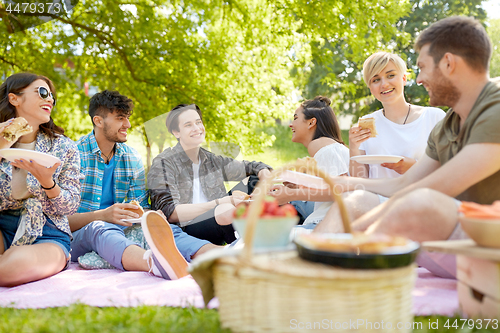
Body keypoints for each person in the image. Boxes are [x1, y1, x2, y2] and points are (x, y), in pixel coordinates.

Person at [315, 16, 500, 279]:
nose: (420, 78)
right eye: (375, 79)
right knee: (358, 200)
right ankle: (309, 265)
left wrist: (357, 235)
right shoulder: (446, 125)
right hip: (456, 235)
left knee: (419, 201)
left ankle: (335, 268)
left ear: (448, 63)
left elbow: (433, 189)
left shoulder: (495, 105)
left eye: (423, 67)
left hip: (486, 239)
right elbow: (403, 186)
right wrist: (344, 184)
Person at [69, 91, 217, 280]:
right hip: (77, 236)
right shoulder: (72, 155)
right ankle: (156, 264)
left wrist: (149, 215)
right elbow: (57, 222)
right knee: (99, 228)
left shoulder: (131, 157)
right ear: (98, 121)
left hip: (120, 230)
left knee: (162, 229)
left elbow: (140, 206)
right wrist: (103, 215)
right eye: (120, 118)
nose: (128, 125)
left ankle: (222, 254)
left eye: (128, 118)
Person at [148, 104, 272, 245]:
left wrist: (264, 176)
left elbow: (252, 167)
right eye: (188, 125)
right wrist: (219, 203)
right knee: (226, 210)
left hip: (218, 214)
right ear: (176, 132)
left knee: (255, 181)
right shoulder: (164, 163)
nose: (196, 128)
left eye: (198, 122)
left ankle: (270, 234)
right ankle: (245, 250)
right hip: (187, 230)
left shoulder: (210, 159)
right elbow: (171, 213)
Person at [0, 73, 81, 286]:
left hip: (48, 233)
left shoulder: (65, 147)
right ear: (14, 98)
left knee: (9, 269)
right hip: (3, 226)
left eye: (52, 96)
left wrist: (48, 183)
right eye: (43, 93)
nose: (50, 100)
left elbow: (70, 206)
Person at [268, 96, 349, 226]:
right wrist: (296, 187)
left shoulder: (327, 150)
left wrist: (292, 194)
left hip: (328, 225)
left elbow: (340, 190)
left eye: (295, 118)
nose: (291, 124)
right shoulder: (328, 149)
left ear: (311, 123)